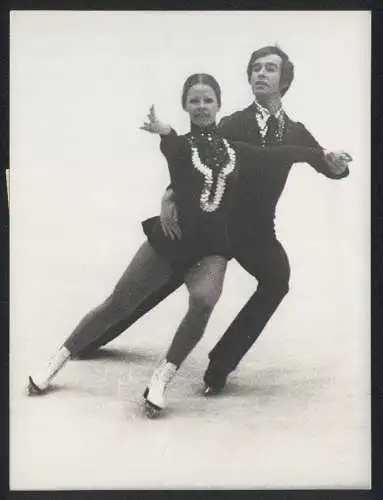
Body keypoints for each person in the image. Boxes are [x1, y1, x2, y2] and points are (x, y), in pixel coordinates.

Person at [27, 73, 330, 417]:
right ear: (186, 105)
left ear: (218, 105)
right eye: (194, 101)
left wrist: (319, 154)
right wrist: (163, 130)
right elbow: (170, 141)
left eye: (208, 100)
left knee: (203, 301)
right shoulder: (180, 146)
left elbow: (282, 154)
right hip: (172, 241)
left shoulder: (238, 151)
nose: (201, 107)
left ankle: (162, 376)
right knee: (118, 303)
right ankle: (56, 360)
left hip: (212, 249)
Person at [75, 46, 351, 396]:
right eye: (255, 68)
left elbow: (322, 161)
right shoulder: (233, 123)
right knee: (160, 281)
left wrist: (337, 165)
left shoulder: (296, 131)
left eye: (270, 68)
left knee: (277, 278)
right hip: (215, 224)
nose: (261, 74)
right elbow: (196, 159)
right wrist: (169, 195)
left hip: (257, 232)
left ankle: (219, 366)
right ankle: (91, 340)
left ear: (284, 80)